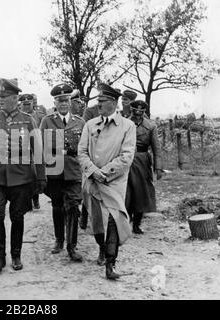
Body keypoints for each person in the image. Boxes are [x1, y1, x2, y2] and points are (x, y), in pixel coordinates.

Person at [0, 79, 46, 275]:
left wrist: (40, 176)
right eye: (0, 97)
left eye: (4, 97)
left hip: (20, 179)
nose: (0, 100)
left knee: (17, 216)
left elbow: (37, 150)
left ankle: (16, 255)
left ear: (15, 99)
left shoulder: (28, 120)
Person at [78, 83, 136, 280]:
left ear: (113, 102)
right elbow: (82, 152)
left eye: (102, 101)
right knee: (97, 222)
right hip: (93, 182)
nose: (99, 105)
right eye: (98, 101)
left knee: (114, 219)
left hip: (114, 182)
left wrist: (105, 172)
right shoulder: (90, 124)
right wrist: (94, 171)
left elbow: (127, 156)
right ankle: (102, 248)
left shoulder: (128, 127)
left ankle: (110, 264)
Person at [40, 83, 86, 261]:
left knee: (73, 207)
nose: (64, 104)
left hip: (73, 171)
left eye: (66, 100)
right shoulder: (47, 120)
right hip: (54, 171)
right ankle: (59, 240)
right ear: (55, 103)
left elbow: (84, 149)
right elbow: (41, 146)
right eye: (60, 101)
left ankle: (72, 246)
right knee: (57, 207)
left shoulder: (80, 122)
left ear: (71, 101)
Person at [126, 100, 163, 234]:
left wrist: (158, 168)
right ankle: (126, 220)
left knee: (141, 192)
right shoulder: (124, 123)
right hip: (126, 160)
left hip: (142, 161)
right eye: (135, 113)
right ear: (131, 111)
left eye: (141, 113)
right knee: (126, 191)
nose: (138, 116)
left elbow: (156, 148)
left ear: (144, 113)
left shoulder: (151, 126)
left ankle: (137, 224)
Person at [19, 93, 45, 210]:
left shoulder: (39, 116)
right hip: (23, 148)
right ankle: (27, 200)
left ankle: (35, 198)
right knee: (24, 174)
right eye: (24, 104)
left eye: (28, 104)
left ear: (32, 104)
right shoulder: (19, 116)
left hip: (35, 147)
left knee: (34, 174)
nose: (26, 106)